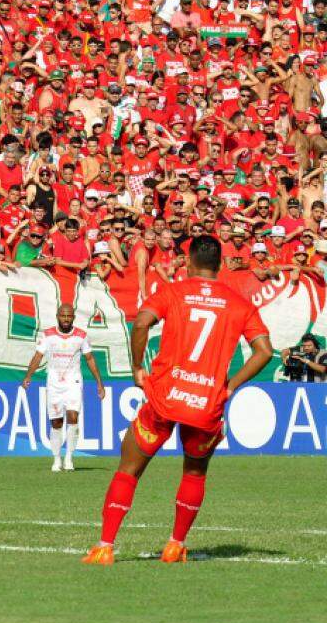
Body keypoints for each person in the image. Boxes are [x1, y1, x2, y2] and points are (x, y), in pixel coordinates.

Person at [83, 236, 273, 565]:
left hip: (164, 398)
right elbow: (265, 351)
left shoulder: (173, 292)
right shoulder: (239, 303)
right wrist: (230, 386)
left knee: (129, 470)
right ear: (220, 265)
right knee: (195, 473)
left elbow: (141, 322)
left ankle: (104, 547)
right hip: (205, 403)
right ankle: (175, 545)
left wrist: (138, 368)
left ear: (188, 262)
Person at [21, 303, 106, 472]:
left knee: (73, 416)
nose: (66, 319)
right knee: (56, 422)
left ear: (73, 317)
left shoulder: (81, 336)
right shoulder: (48, 335)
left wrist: (99, 383)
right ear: (58, 316)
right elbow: (38, 356)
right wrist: (28, 376)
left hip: (73, 382)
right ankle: (56, 458)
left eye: (69, 316)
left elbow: (89, 359)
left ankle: (69, 457)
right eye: (63, 316)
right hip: (54, 383)